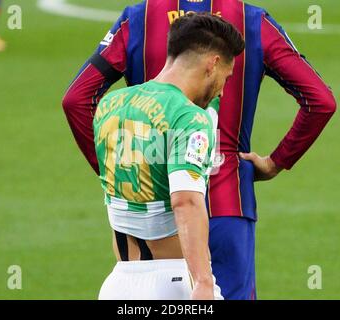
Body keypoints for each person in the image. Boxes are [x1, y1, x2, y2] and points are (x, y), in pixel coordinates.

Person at [62, 0, 337, 300]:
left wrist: (118, 167)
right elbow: (320, 100)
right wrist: (275, 162)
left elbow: (76, 98)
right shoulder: (252, 20)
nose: (221, 91)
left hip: (139, 244)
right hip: (226, 203)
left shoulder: (139, 19)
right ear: (214, 65)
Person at [91, 13, 244, 300]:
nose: (223, 87)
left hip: (118, 283)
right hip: (173, 283)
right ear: (212, 64)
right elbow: (185, 200)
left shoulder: (111, 104)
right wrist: (203, 282)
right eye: (227, 76)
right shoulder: (189, 118)